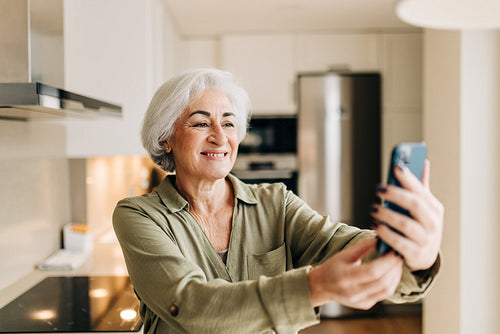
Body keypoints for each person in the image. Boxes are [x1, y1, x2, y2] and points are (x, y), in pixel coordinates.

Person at [113, 68, 443, 334]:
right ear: (165, 138)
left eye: (229, 122)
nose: (220, 136)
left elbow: (343, 244)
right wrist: (314, 286)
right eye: (201, 122)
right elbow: (190, 307)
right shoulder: (139, 216)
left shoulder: (276, 202)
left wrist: (413, 257)